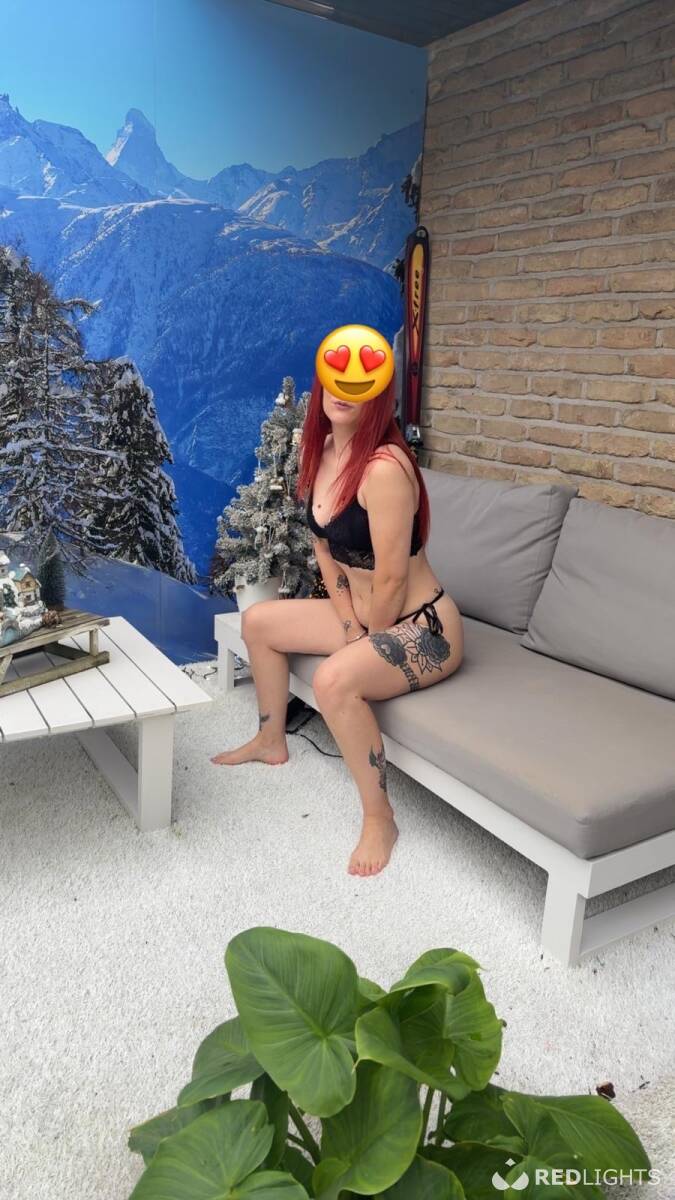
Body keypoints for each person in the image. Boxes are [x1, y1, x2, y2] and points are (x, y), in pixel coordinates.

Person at [211, 372, 464, 876]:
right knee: (258, 622)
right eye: (336, 381)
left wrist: (367, 643)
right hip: (364, 615)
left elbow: (391, 578)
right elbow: (324, 550)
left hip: (423, 625)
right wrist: (350, 625)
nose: (344, 392)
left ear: (379, 399)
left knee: (333, 681)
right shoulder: (321, 451)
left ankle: (380, 817)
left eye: (359, 385)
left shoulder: (385, 468)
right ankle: (271, 740)